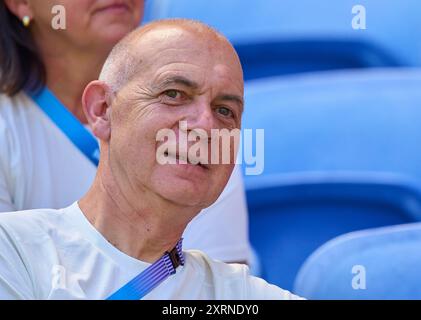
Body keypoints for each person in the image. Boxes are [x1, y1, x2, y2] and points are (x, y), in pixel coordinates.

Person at [0, 19, 300, 300]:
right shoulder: (15, 250)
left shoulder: (241, 297)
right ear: (103, 110)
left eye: (225, 111)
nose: (206, 126)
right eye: (174, 93)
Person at [0, 0, 251, 264]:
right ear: (21, 3)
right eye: (173, 95)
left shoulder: (204, 122)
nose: (205, 121)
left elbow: (216, 293)